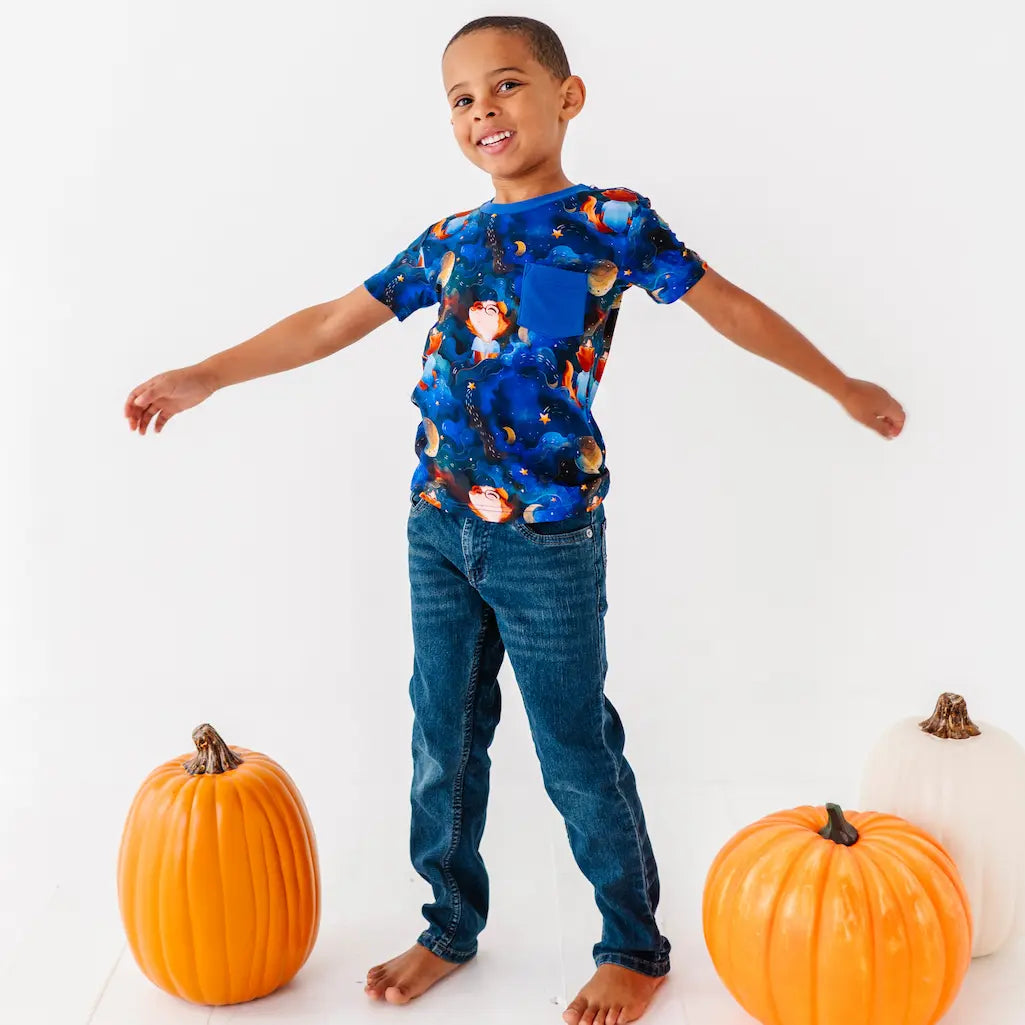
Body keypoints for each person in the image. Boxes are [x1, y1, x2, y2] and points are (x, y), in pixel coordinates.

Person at [124, 15, 906, 1025]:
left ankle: (632, 943)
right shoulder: (447, 242)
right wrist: (204, 375)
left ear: (565, 97)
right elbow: (327, 321)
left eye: (504, 86)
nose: (482, 110)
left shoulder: (611, 222)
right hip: (436, 526)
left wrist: (841, 384)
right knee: (441, 734)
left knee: (574, 744)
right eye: (459, 99)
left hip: (545, 539)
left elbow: (731, 306)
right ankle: (450, 924)